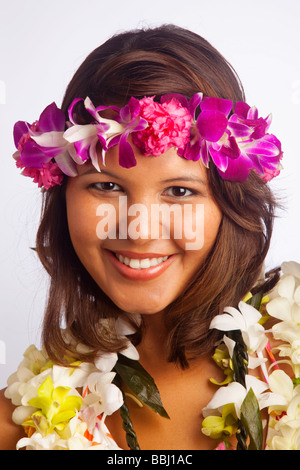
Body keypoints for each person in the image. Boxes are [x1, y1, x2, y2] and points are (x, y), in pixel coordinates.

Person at [0, 24, 296, 451]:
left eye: (179, 191)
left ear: (230, 201)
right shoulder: (21, 429)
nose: (138, 230)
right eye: (107, 187)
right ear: (63, 192)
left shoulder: (291, 357)